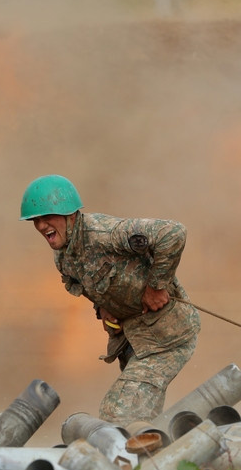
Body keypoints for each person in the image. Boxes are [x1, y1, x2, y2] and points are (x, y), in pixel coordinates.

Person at [20, 174, 200, 425]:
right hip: (134, 341)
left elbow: (173, 233)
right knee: (140, 418)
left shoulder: (106, 234)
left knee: (120, 414)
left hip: (167, 336)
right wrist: (103, 308)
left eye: (46, 217)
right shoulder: (64, 257)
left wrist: (156, 286)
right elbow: (90, 284)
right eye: (35, 220)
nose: (40, 226)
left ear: (70, 215)